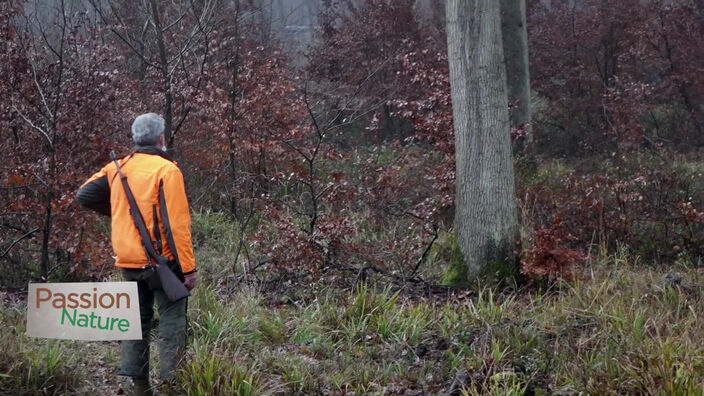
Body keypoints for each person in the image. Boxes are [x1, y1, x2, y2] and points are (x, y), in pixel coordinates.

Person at [77, 113, 197, 395]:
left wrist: (120, 212)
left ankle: (140, 389)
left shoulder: (117, 168)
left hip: (128, 262)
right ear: (161, 139)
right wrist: (189, 269)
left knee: (135, 323)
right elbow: (176, 225)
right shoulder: (167, 171)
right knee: (172, 321)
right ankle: (171, 385)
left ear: (134, 139)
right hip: (162, 263)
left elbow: (84, 194)